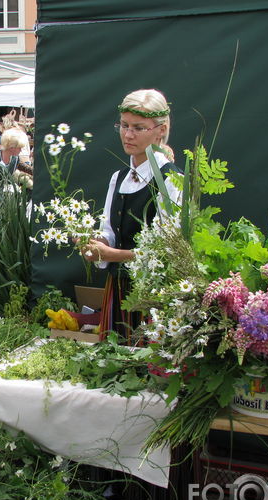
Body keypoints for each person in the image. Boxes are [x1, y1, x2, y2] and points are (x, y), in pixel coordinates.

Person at [82, 88, 181, 341]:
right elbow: (109, 232)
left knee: (146, 364)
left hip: (153, 292)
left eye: (138, 128)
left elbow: (165, 250)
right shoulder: (119, 178)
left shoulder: (172, 180)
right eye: (124, 125)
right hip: (117, 288)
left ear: (160, 129)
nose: (127, 134)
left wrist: (112, 255)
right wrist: (95, 244)